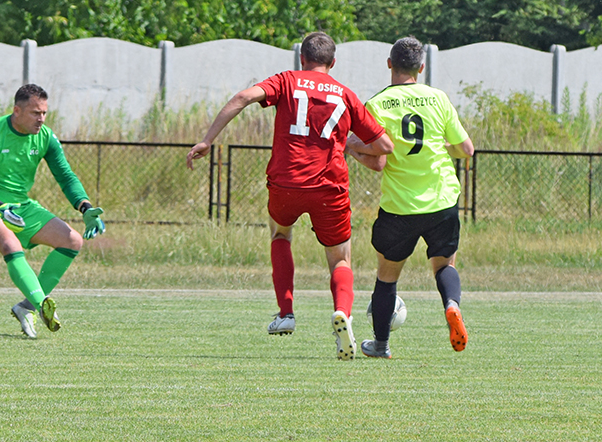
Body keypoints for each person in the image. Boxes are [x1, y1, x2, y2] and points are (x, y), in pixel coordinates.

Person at [187, 32, 393, 360]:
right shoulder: (346, 95)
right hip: (329, 187)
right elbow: (384, 148)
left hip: (286, 183)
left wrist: (207, 140)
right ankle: (343, 314)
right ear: (333, 62)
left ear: (302, 59)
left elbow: (242, 97)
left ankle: (285, 313)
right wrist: (350, 147)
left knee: (280, 233)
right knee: (340, 258)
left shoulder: (286, 81)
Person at [346, 36, 475, 358]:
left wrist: (353, 150)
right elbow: (466, 150)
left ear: (390, 64)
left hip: (399, 206)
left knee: (387, 276)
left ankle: (381, 345)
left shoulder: (376, 105)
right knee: (444, 264)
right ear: (421, 67)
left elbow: (378, 161)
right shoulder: (438, 98)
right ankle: (451, 305)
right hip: (442, 200)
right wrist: (440, 149)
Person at [0, 84, 105, 339]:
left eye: (44, 113)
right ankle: (42, 305)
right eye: (34, 113)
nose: (41, 119)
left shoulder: (46, 137)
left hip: (21, 205)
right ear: (17, 111)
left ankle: (26, 307)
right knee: (10, 244)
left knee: (72, 240)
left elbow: (65, 176)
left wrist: (85, 206)